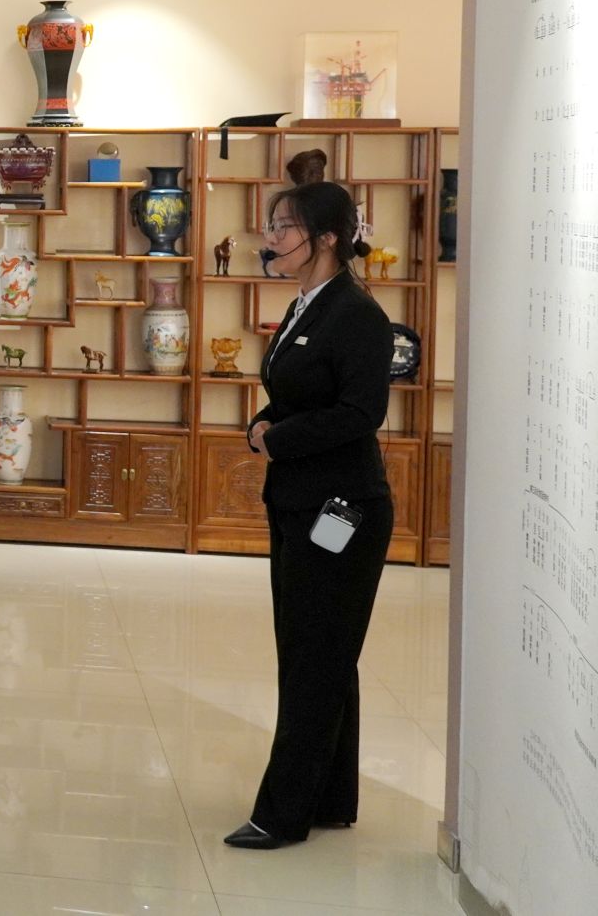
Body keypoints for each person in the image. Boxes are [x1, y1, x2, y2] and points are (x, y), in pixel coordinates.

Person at [226, 181, 395, 851]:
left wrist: (281, 439)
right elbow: (298, 390)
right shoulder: (307, 304)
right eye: (271, 225)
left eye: (285, 227)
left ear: (326, 237)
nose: (271, 238)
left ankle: (282, 813)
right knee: (319, 652)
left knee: (315, 659)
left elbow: (360, 412)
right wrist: (264, 421)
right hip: (299, 501)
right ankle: (329, 797)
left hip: (342, 509)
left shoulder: (357, 313)